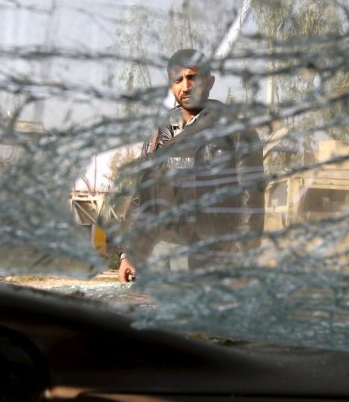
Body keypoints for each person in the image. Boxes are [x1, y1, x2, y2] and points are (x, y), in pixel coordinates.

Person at [113, 49, 264, 282]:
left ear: (209, 81)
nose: (186, 86)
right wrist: (128, 253)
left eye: (193, 77)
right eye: (178, 80)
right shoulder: (158, 134)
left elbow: (249, 201)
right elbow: (140, 198)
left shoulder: (235, 131)